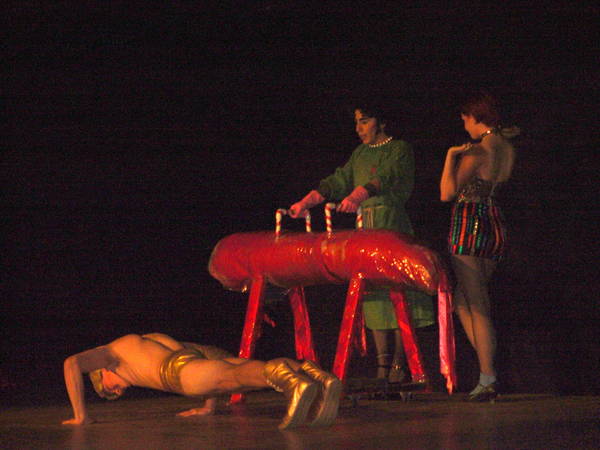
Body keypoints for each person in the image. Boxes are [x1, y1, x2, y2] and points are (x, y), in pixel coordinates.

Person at [289, 103, 434, 383]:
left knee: (398, 294)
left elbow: (387, 176)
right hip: (366, 229)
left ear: (381, 122)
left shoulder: (399, 149)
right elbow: (338, 180)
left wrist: (359, 194)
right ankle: (382, 366)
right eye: (356, 122)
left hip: (391, 226)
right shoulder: (360, 153)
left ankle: (401, 366)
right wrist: (307, 202)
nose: (359, 128)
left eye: (365, 121)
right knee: (374, 297)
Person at [62, 332, 341, 429]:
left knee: (234, 376)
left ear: (101, 371)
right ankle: (318, 377)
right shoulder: (143, 340)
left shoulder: (110, 354)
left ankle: (292, 383)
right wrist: (209, 406)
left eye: (110, 388)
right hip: (186, 361)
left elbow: (71, 363)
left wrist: (80, 416)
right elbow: (198, 355)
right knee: (240, 372)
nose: (118, 390)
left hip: (176, 374)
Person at [439, 92, 519, 401]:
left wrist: (450, 157)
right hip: (494, 222)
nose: (464, 126)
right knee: (463, 299)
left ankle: (487, 376)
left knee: (477, 304)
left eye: (465, 120)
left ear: (475, 118)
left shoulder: (478, 151)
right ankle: (488, 367)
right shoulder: (505, 147)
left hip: (469, 224)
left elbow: (447, 193)